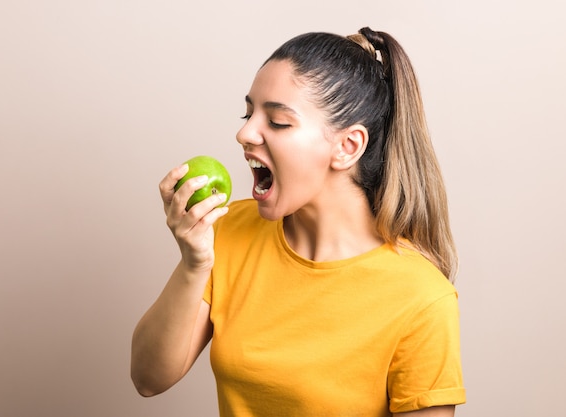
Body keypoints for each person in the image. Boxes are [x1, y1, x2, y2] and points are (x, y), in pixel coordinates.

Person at [131, 27, 466, 417]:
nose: (243, 133)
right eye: (248, 113)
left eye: (277, 122)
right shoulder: (229, 231)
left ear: (347, 147)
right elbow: (147, 378)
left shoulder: (422, 298)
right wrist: (194, 264)